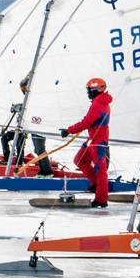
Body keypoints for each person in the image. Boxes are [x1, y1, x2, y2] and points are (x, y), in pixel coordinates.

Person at [61, 77, 112, 207]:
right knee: (79, 160)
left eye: (89, 90)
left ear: (95, 90)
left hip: (98, 142)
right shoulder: (99, 102)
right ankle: (95, 184)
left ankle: (101, 200)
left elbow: (86, 122)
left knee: (100, 170)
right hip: (92, 140)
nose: (87, 93)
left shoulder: (98, 104)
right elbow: (89, 121)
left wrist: (68, 130)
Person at [1, 77, 51, 176]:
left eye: (24, 88)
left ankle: (47, 171)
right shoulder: (28, 98)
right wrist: (17, 107)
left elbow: (33, 109)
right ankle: (42, 171)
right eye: (22, 89)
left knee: (40, 149)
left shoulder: (36, 97)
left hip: (38, 126)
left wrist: (21, 109)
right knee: (37, 149)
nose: (23, 91)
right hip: (30, 127)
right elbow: (26, 107)